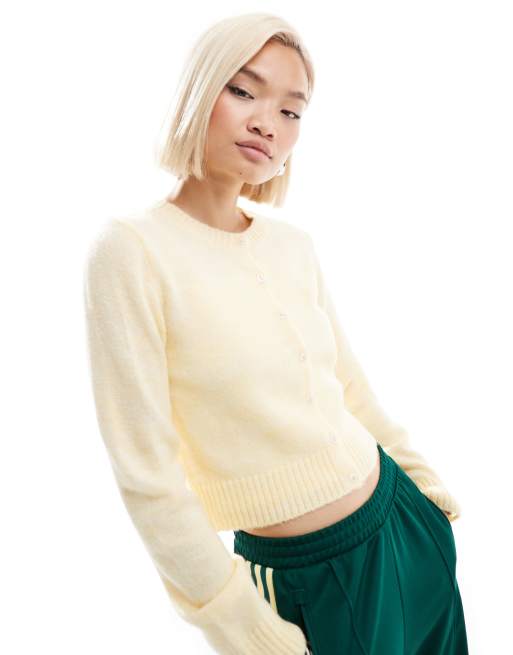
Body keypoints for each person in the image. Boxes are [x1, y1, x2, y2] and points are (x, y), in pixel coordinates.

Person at [82, 11, 469, 655]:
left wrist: (423, 487)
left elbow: (350, 388)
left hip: (402, 519)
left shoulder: (291, 245)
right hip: (305, 575)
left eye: (292, 111)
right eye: (244, 91)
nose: (268, 123)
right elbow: (147, 475)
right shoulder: (131, 251)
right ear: (199, 90)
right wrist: (236, 620)